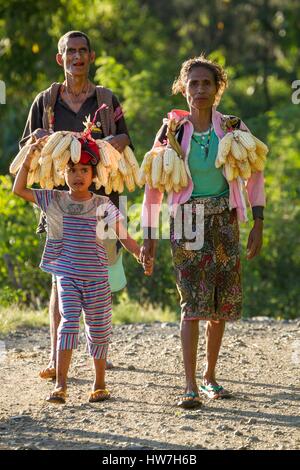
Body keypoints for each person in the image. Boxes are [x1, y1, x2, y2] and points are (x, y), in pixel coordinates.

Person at [140, 55, 265, 408]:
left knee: (219, 305)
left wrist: (258, 221)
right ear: (183, 88)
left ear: (217, 88)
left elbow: (255, 174)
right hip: (186, 221)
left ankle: (211, 377)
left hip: (224, 219)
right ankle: (190, 385)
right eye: (193, 83)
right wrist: (149, 236)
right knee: (191, 303)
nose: (199, 89)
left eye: (206, 83)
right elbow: (154, 186)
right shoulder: (172, 132)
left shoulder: (234, 128)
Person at [19, 31, 132, 378]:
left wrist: (105, 144)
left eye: (83, 51)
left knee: (102, 274)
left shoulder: (106, 99)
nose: (77, 57)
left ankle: (99, 349)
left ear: (91, 56)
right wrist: (38, 138)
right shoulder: (46, 102)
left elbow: (126, 137)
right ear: (60, 58)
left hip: (100, 201)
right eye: (70, 51)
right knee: (60, 276)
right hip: (58, 201)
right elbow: (27, 141)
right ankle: (57, 356)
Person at [12, 138, 148, 404]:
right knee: (69, 323)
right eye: (72, 170)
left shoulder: (103, 205)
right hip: (67, 274)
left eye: (84, 170)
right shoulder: (54, 199)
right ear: (63, 174)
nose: (78, 175)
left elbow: (124, 237)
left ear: (93, 175)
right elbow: (20, 190)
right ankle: (60, 385)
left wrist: (140, 253)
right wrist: (29, 158)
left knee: (98, 330)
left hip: (97, 276)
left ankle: (99, 383)